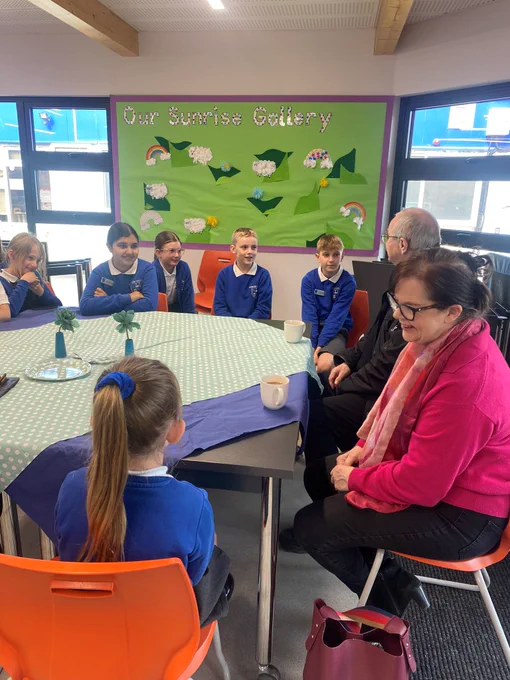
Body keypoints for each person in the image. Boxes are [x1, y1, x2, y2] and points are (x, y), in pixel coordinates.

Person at [293, 248, 510, 617]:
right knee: (319, 475)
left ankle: (385, 603)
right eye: (398, 302)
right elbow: (391, 418)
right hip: (440, 485)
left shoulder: (467, 383)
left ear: (452, 312)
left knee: (311, 527)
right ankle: (393, 577)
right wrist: (362, 448)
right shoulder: (436, 342)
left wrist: (358, 478)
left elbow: (423, 485)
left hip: (463, 516)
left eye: (411, 308)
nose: (398, 314)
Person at [280, 208, 441, 552]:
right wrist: (345, 360)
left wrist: (344, 382)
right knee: (317, 403)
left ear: (401, 243)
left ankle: (330, 515)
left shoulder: (422, 289)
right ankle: (331, 491)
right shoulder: (400, 280)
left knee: (317, 409)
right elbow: (369, 339)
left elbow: (388, 367)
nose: (384, 244)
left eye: (385, 238)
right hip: (373, 385)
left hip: (387, 398)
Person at [55, 356, 231, 625]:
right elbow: (192, 579)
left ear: (97, 423)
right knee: (216, 557)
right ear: (176, 431)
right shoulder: (193, 505)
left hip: (86, 628)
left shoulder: (70, 487)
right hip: (162, 640)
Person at [301, 234, 356, 377]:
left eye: (336, 254)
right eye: (326, 255)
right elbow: (309, 314)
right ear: (317, 257)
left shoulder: (348, 282)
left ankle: (325, 397)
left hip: (337, 330)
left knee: (323, 365)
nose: (331, 260)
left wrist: (319, 347)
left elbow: (336, 318)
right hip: (313, 329)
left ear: (342, 256)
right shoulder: (308, 280)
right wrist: (312, 346)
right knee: (300, 362)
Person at [79, 222, 158, 316]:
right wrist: (129, 297)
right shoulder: (99, 272)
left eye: (134, 246)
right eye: (122, 246)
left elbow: (150, 305)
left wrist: (107, 301)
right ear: (109, 247)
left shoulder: (147, 269)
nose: (129, 252)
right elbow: (85, 306)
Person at [213, 227, 272, 319]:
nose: (250, 252)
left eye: (254, 247)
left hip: (253, 326)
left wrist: (245, 325)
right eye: (244, 247)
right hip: (229, 325)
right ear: (233, 249)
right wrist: (233, 325)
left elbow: (263, 309)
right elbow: (220, 307)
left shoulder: (263, 275)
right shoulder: (224, 275)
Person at [0, 233, 62, 319]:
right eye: (30, 258)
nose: (35, 265)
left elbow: (57, 306)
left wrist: (41, 292)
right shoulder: (2, 282)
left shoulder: (34, 275)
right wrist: (23, 283)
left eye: (38, 260)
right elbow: (9, 313)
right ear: (12, 255)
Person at [153, 230, 196, 313]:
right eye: (172, 251)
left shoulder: (184, 267)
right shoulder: (152, 271)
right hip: (159, 313)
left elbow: (188, 298)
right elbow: (153, 303)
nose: (176, 255)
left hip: (178, 311)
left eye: (179, 251)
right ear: (158, 253)